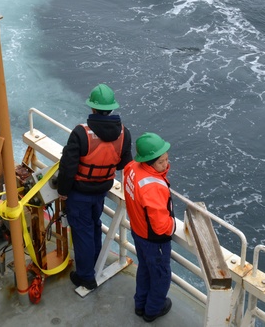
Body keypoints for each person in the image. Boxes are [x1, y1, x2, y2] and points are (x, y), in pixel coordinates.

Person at [57, 83, 133, 291]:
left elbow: (68, 167)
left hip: (79, 193)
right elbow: (123, 164)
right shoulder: (124, 134)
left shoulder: (81, 133)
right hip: (101, 190)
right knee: (94, 226)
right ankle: (96, 263)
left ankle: (86, 276)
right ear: (111, 108)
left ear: (92, 108)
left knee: (82, 232)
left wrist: (62, 191)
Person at [123, 132, 181, 323]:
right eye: (161, 162)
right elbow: (162, 226)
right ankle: (152, 311)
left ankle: (140, 305)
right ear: (148, 162)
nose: (166, 164)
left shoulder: (131, 168)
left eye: (166, 159)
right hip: (153, 241)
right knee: (161, 276)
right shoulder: (153, 187)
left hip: (138, 232)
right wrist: (174, 225)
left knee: (145, 269)